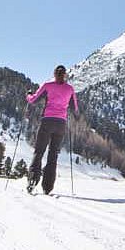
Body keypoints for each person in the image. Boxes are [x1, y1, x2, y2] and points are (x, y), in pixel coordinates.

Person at [25, 65, 80, 196]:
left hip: (47, 121)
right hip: (61, 124)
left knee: (39, 152)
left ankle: (32, 181)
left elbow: (33, 100)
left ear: (54, 74)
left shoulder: (47, 86)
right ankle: (48, 187)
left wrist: (28, 95)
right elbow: (74, 109)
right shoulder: (70, 89)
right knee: (53, 154)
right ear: (65, 75)